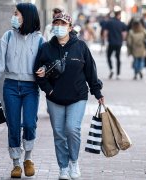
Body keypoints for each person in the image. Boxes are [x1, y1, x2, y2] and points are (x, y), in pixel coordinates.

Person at [34, 12, 104, 179]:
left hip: (77, 96)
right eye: (56, 24)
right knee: (59, 133)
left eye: (63, 24)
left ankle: (73, 161)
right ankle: (63, 167)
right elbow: (37, 73)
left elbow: (90, 72)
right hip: (54, 97)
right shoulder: (46, 48)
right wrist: (48, 90)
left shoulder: (80, 47)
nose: (59, 27)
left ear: (70, 28)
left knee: (72, 129)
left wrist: (97, 92)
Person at [0, 3, 44, 178]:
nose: (14, 17)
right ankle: (16, 163)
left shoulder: (39, 40)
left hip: (31, 87)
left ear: (27, 17)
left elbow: (46, 62)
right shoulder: (8, 37)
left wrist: (45, 69)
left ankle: (28, 158)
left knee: (30, 123)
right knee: (13, 125)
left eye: (17, 14)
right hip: (11, 86)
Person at [103, 6, 127, 80]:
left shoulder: (109, 22)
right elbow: (124, 34)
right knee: (118, 58)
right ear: (119, 15)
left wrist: (105, 40)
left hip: (111, 43)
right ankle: (118, 74)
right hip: (118, 43)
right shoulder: (122, 23)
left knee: (108, 56)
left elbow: (105, 32)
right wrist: (122, 40)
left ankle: (111, 69)